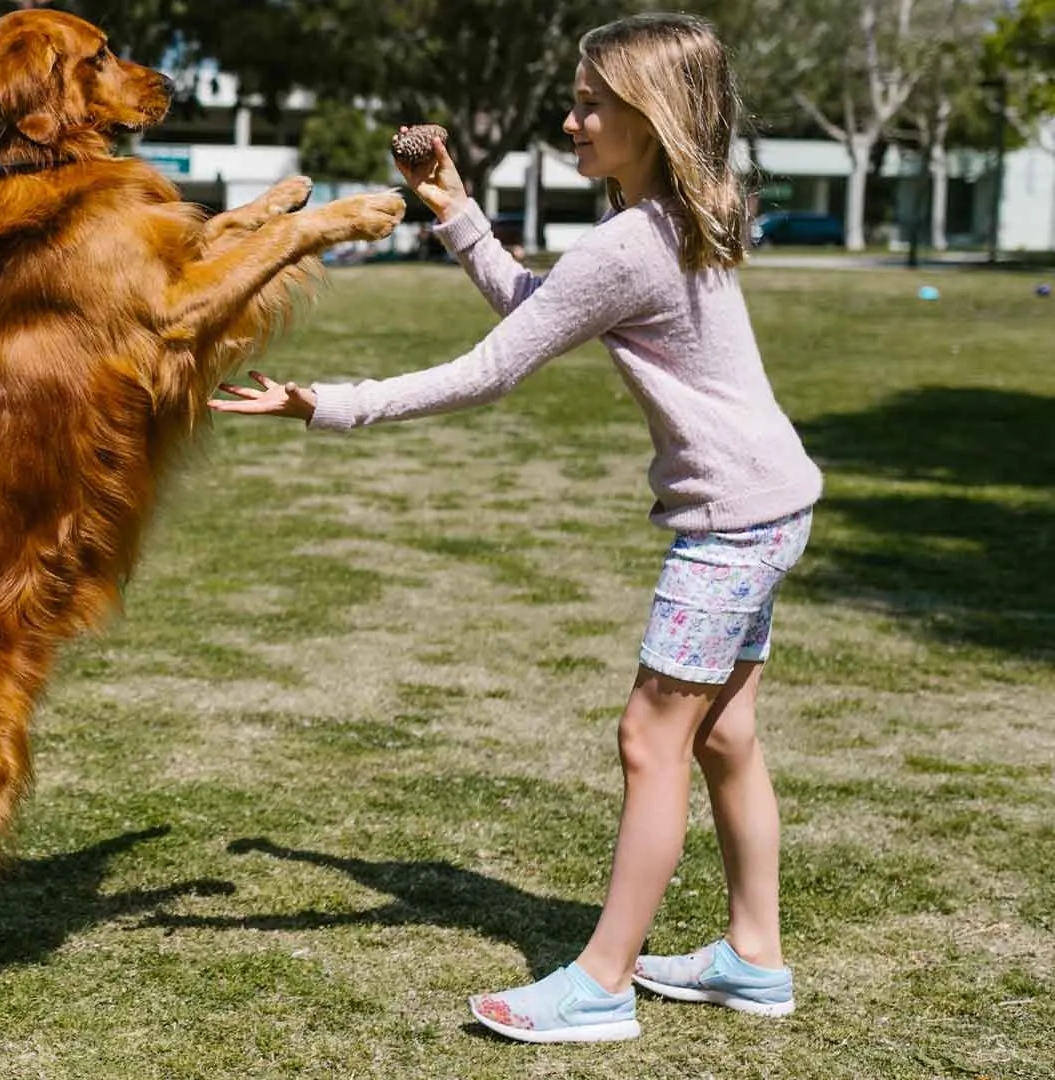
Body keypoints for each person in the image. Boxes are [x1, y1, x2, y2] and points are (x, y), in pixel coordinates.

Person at [210, 12, 821, 1044]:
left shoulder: (631, 239)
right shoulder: (680, 216)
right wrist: (455, 210)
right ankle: (753, 958)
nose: (571, 121)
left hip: (731, 525)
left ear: (649, 116)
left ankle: (600, 985)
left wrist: (331, 403)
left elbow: (494, 367)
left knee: (651, 739)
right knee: (723, 735)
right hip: (771, 504)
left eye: (590, 105)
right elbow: (539, 308)